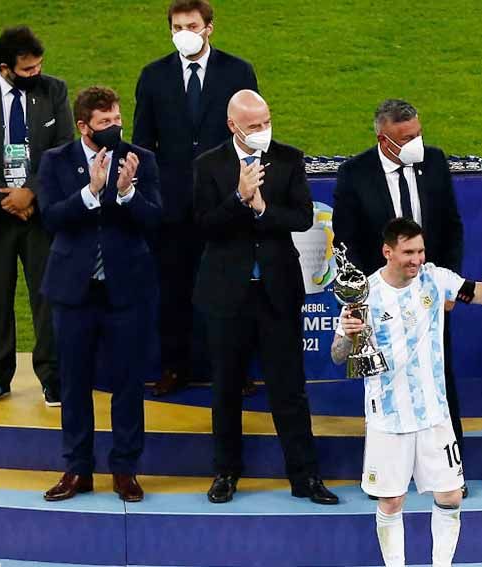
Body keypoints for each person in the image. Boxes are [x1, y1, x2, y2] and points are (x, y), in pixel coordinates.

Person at [331, 218, 482, 567]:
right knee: (391, 502)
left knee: (451, 496)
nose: (417, 259)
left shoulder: (436, 280)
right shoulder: (365, 294)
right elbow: (338, 355)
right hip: (387, 418)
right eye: (408, 252)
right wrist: (347, 334)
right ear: (387, 251)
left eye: (420, 251)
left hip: (435, 415)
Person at [193, 90, 337, 505]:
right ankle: (225, 473)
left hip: (277, 292)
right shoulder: (209, 165)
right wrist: (238, 199)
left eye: (266, 121)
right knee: (225, 388)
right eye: (254, 125)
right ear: (232, 126)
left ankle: (305, 477)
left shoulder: (289, 159)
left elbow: (302, 216)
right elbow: (204, 225)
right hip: (226, 296)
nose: (263, 131)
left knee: (289, 389)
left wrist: (260, 207)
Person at [332, 98, 466, 493]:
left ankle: (449, 473)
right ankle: (389, 475)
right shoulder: (355, 174)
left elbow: (452, 227)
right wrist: (365, 297)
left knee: (438, 376)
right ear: (383, 139)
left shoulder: (435, 162)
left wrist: (448, 284)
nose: (416, 143)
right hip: (382, 295)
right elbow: (348, 241)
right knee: (386, 382)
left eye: (418, 134)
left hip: (428, 296)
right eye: (406, 137)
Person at [37, 87, 162, 502]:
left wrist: (127, 193)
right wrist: (90, 193)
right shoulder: (56, 162)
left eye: (117, 120)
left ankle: (125, 469)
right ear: (83, 126)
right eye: (105, 123)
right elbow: (52, 219)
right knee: (73, 384)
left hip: (125, 290)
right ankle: (77, 469)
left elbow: (155, 221)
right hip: (74, 293)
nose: (114, 128)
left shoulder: (139, 160)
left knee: (128, 383)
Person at [133, 0, 260, 397]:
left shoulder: (238, 72)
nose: (183, 32)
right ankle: (175, 367)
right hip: (171, 206)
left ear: (209, 28)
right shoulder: (153, 76)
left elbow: (251, 134)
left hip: (225, 201)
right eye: (176, 26)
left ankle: (235, 372)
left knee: (230, 288)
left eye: (191, 24)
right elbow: (142, 142)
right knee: (174, 288)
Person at [0, 26, 73, 406]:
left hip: (38, 214)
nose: (35, 73)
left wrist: (31, 192)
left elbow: (63, 145)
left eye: (39, 65)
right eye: (27, 69)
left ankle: (52, 375)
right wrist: (3, 197)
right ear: (4, 68)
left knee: (46, 296)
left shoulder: (54, 90)